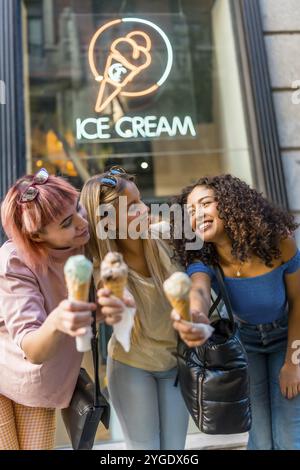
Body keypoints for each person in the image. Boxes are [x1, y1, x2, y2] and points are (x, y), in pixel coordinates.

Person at [170, 174, 300, 450]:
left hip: (287, 337)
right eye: (191, 211)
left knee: (289, 433)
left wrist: (294, 363)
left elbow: (299, 301)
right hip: (245, 343)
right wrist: (196, 319)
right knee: (261, 438)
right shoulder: (203, 255)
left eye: (205, 203)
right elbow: (200, 292)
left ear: (230, 204)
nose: (198, 214)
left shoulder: (278, 242)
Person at [0, 168, 124, 450]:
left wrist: (106, 308)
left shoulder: (86, 240)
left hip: (38, 382)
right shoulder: (15, 261)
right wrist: (58, 319)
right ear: (37, 237)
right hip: (16, 364)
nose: (82, 223)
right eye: (67, 222)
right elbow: (33, 347)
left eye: (78, 208)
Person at [80, 166, 189, 450]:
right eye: (132, 206)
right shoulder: (98, 268)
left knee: (175, 450)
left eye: (140, 200)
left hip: (175, 362)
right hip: (132, 366)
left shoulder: (167, 237)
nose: (144, 209)